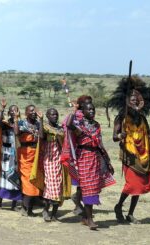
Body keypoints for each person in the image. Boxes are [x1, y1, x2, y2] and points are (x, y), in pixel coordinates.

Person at [107, 76, 150, 224]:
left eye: (137, 98)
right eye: (132, 98)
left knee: (140, 186)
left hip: (143, 156)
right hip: (130, 155)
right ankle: (119, 206)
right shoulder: (122, 117)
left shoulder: (142, 117)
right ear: (126, 99)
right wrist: (120, 135)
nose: (134, 100)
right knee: (132, 185)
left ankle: (130, 214)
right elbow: (114, 137)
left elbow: (148, 137)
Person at [66, 102, 115, 230]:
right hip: (83, 158)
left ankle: (85, 217)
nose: (92, 111)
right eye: (89, 109)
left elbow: (100, 144)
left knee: (92, 188)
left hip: (95, 157)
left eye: (93, 109)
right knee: (88, 188)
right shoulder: (79, 124)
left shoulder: (96, 125)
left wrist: (107, 162)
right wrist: (74, 110)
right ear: (83, 111)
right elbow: (68, 124)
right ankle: (90, 219)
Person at [61, 95, 93, 216]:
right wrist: (74, 112)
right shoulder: (76, 117)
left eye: (90, 103)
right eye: (86, 104)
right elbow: (67, 126)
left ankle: (79, 203)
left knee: (84, 181)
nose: (89, 106)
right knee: (81, 180)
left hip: (90, 153)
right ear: (80, 106)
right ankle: (78, 203)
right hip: (77, 152)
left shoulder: (89, 118)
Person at [40, 108, 71, 222]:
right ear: (47, 116)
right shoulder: (45, 127)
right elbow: (41, 136)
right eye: (52, 114)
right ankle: (45, 210)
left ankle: (53, 214)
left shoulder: (60, 128)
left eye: (56, 114)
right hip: (49, 160)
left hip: (60, 160)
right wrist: (41, 119)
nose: (55, 116)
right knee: (50, 186)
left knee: (59, 186)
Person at [15, 105, 43, 216]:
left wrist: (41, 120)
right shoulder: (22, 123)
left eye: (34, 111)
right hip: (25, 155)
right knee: (28, 182)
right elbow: (16, 133)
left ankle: (27, 208)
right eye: (31, 111)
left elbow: (41, 135)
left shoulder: (37, 124)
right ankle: (26, 208)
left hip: (36, 155)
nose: (33, 113)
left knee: (35, 180)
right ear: (26, 113)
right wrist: (16, 119)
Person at [0, 105, 22, 210]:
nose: (13, 112)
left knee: (15, 176)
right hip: (6, 153)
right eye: (11, 110)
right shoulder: (5, 123)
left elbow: (17, 132)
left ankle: (13, 204)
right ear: (8, 113)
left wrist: (16, 120)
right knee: (4, 176)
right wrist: (2, 109)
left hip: (16, 152)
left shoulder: (20, 124)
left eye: (16, 110)